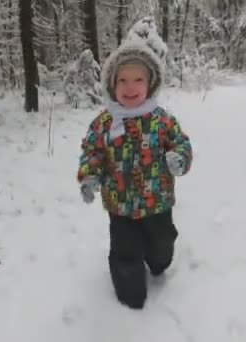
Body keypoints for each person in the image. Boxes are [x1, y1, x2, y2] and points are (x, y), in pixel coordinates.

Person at [76, 42, 193, 309]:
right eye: (123, 80)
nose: (130, 87)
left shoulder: (162, 120)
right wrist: (89, 175)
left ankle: (159, 262)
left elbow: (180, 144)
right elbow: (92, 151)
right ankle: (130, 293)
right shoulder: (105, 123)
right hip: (120, 206)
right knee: (125, 253)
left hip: (158, 202)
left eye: (138, 79)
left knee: (161, 245)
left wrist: (179, 159)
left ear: (150, 84)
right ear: (112, 85)